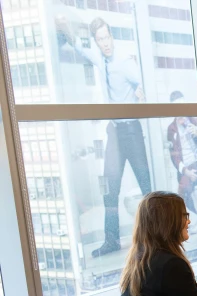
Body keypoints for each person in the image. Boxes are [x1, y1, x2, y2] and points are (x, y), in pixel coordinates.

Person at [55, 16, 151, 258]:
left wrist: (141, 92)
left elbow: (145, 85)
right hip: (115, 131)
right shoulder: (100, 58)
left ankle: (155, 238)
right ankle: (111, 240)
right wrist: (64, 29)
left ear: (112, 37)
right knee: (110, 189)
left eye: (107, 37)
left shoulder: (125, 62)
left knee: (146, 186)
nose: (105, 43)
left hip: (132, 129)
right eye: (100, 39)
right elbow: (79, 48)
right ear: (96, 41)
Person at [167, 91, 197, 224]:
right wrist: (186, 172)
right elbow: (174, 156)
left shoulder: (195, 120)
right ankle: (195, 220)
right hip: (187, 165)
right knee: (182, 194)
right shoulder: (172, 129)